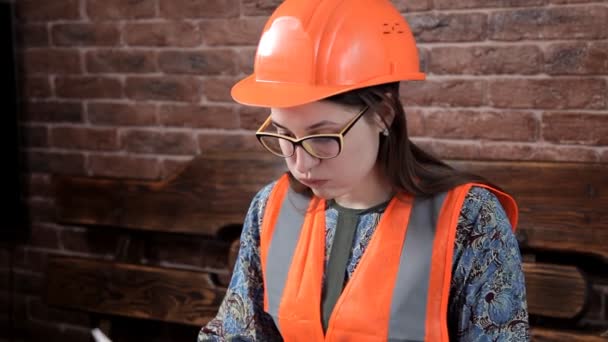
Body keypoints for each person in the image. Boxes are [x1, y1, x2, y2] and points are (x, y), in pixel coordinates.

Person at [198, 0, 529, 340]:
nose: (302, 163)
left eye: (323, 136)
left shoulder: (468, 219)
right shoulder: (271, 209)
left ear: (383, 114)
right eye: (284, 135)